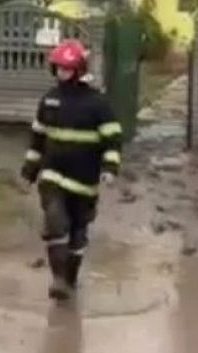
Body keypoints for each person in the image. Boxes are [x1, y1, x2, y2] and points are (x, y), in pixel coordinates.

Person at [20, 39, 122, 301]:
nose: (62, 73)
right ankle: (58, 280)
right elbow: (38, 138)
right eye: (58, 69)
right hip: (52, 175)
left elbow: (112, 139)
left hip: (85, 182)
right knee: (55, 223)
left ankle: (70, 279)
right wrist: (29, 171)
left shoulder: (97, 104)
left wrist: (110, 168)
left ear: (78, 70)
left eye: (67, 69)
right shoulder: (50, 101)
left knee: (78, 234)